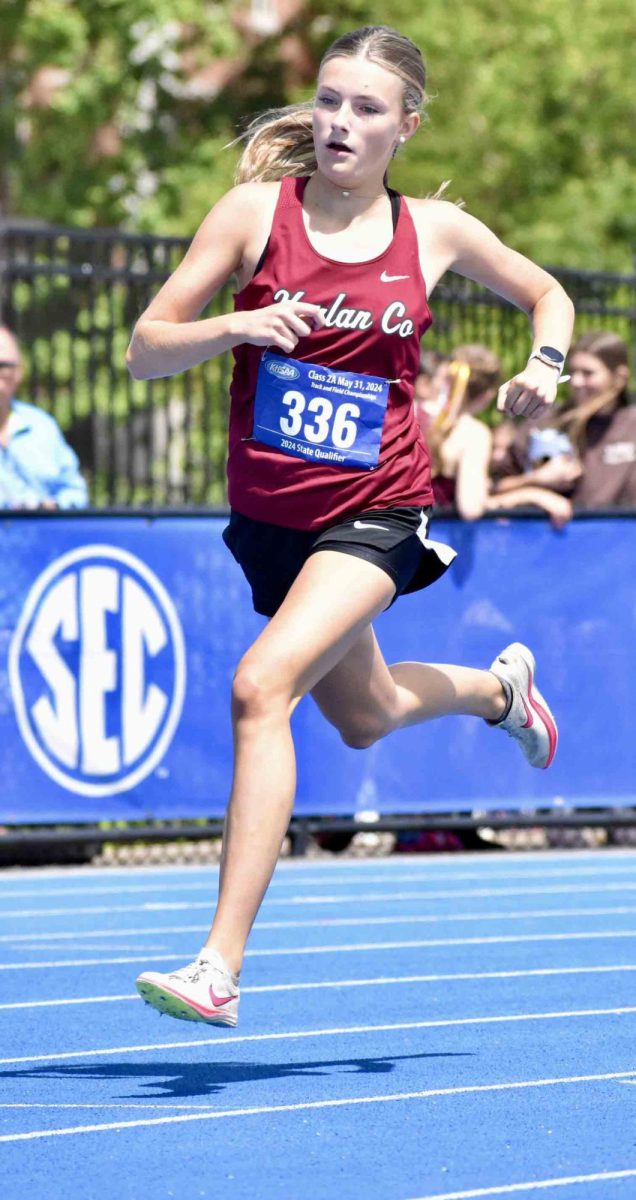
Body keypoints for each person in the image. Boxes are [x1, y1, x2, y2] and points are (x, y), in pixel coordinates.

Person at [127, 24, 574, 1028]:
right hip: (272, 522)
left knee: (260, 688)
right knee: (363, 714)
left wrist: (542, 368)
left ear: (405, 127)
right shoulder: (253, 215)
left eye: (366, 108)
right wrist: (231, 327)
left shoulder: (433, 236)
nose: (340, 122)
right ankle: (500, 690)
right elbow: (144, 350)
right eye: (330, 101)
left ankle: (218, 966)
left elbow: (545, 294)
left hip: (377, 508)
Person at [491, 331, 634, 510]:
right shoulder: (545, 421)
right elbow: (492, 488)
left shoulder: (631, 425)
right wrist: (536, 481)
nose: (576, 381)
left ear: (619, 378)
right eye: (573, 372)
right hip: (555, 534)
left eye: (588, 373)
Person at [0, 325, 88, 509]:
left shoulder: (42, 426)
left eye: (2, 366)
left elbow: (76, 492)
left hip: (42, 536)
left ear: (18, 372)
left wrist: (54, 506)